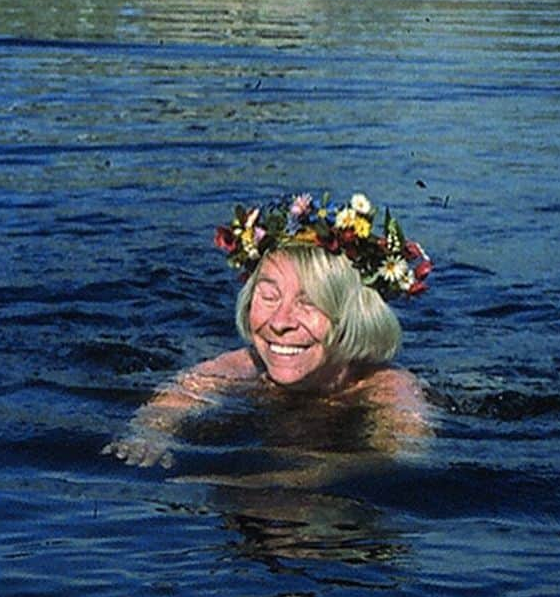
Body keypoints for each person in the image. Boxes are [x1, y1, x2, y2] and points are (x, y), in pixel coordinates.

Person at [104, 190, 434, 468]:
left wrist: (283, 485)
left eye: (309, 302)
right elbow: (171, 403)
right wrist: (149, 433)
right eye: (269, 296)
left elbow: (398, 458)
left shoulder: (386, 388)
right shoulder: (242, 367)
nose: (279, 322)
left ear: (354, 316)